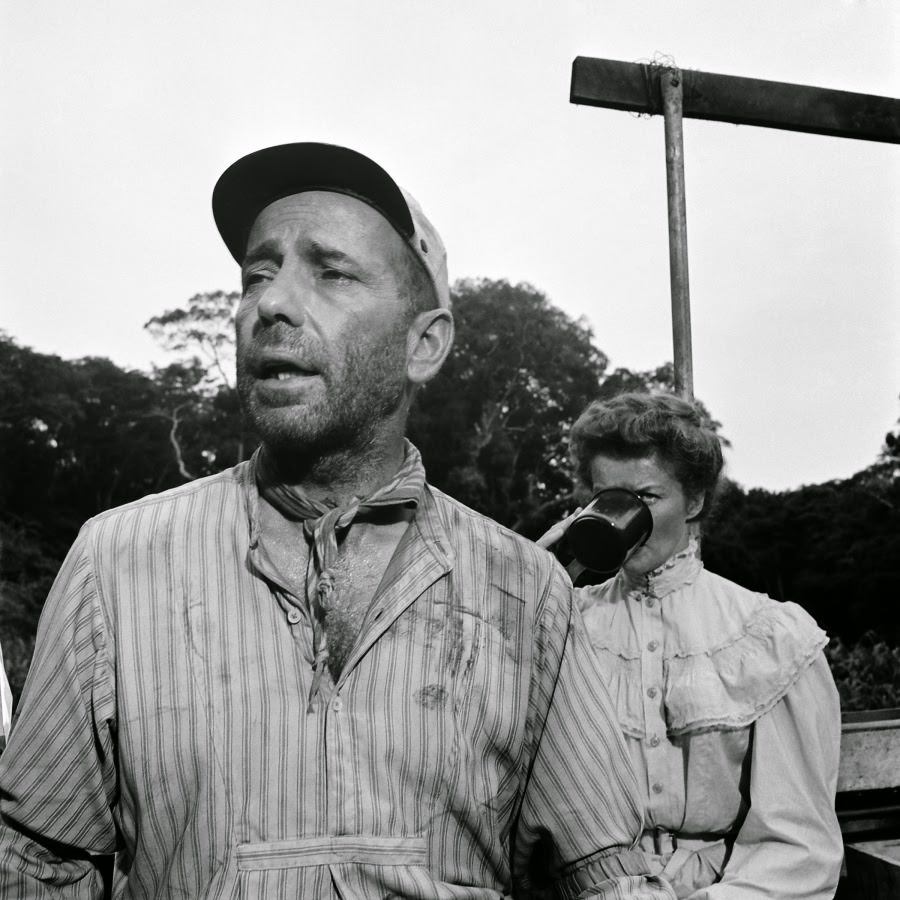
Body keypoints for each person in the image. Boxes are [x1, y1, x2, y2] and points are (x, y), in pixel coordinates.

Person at [0, 143, 675, 899]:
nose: (270, 303)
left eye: (331, 271)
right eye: (259, 273)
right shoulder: (117, 561)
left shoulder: (527, 590)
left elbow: (605, 875)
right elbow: (39, 867)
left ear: (425, 344)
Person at [540, 392, 843, 899]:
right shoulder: (562, 624)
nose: (622, 516)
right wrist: (528, 582)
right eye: (605, 498)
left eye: (647, 497)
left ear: (695, 500)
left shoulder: (766, 636)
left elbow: (798, 848)